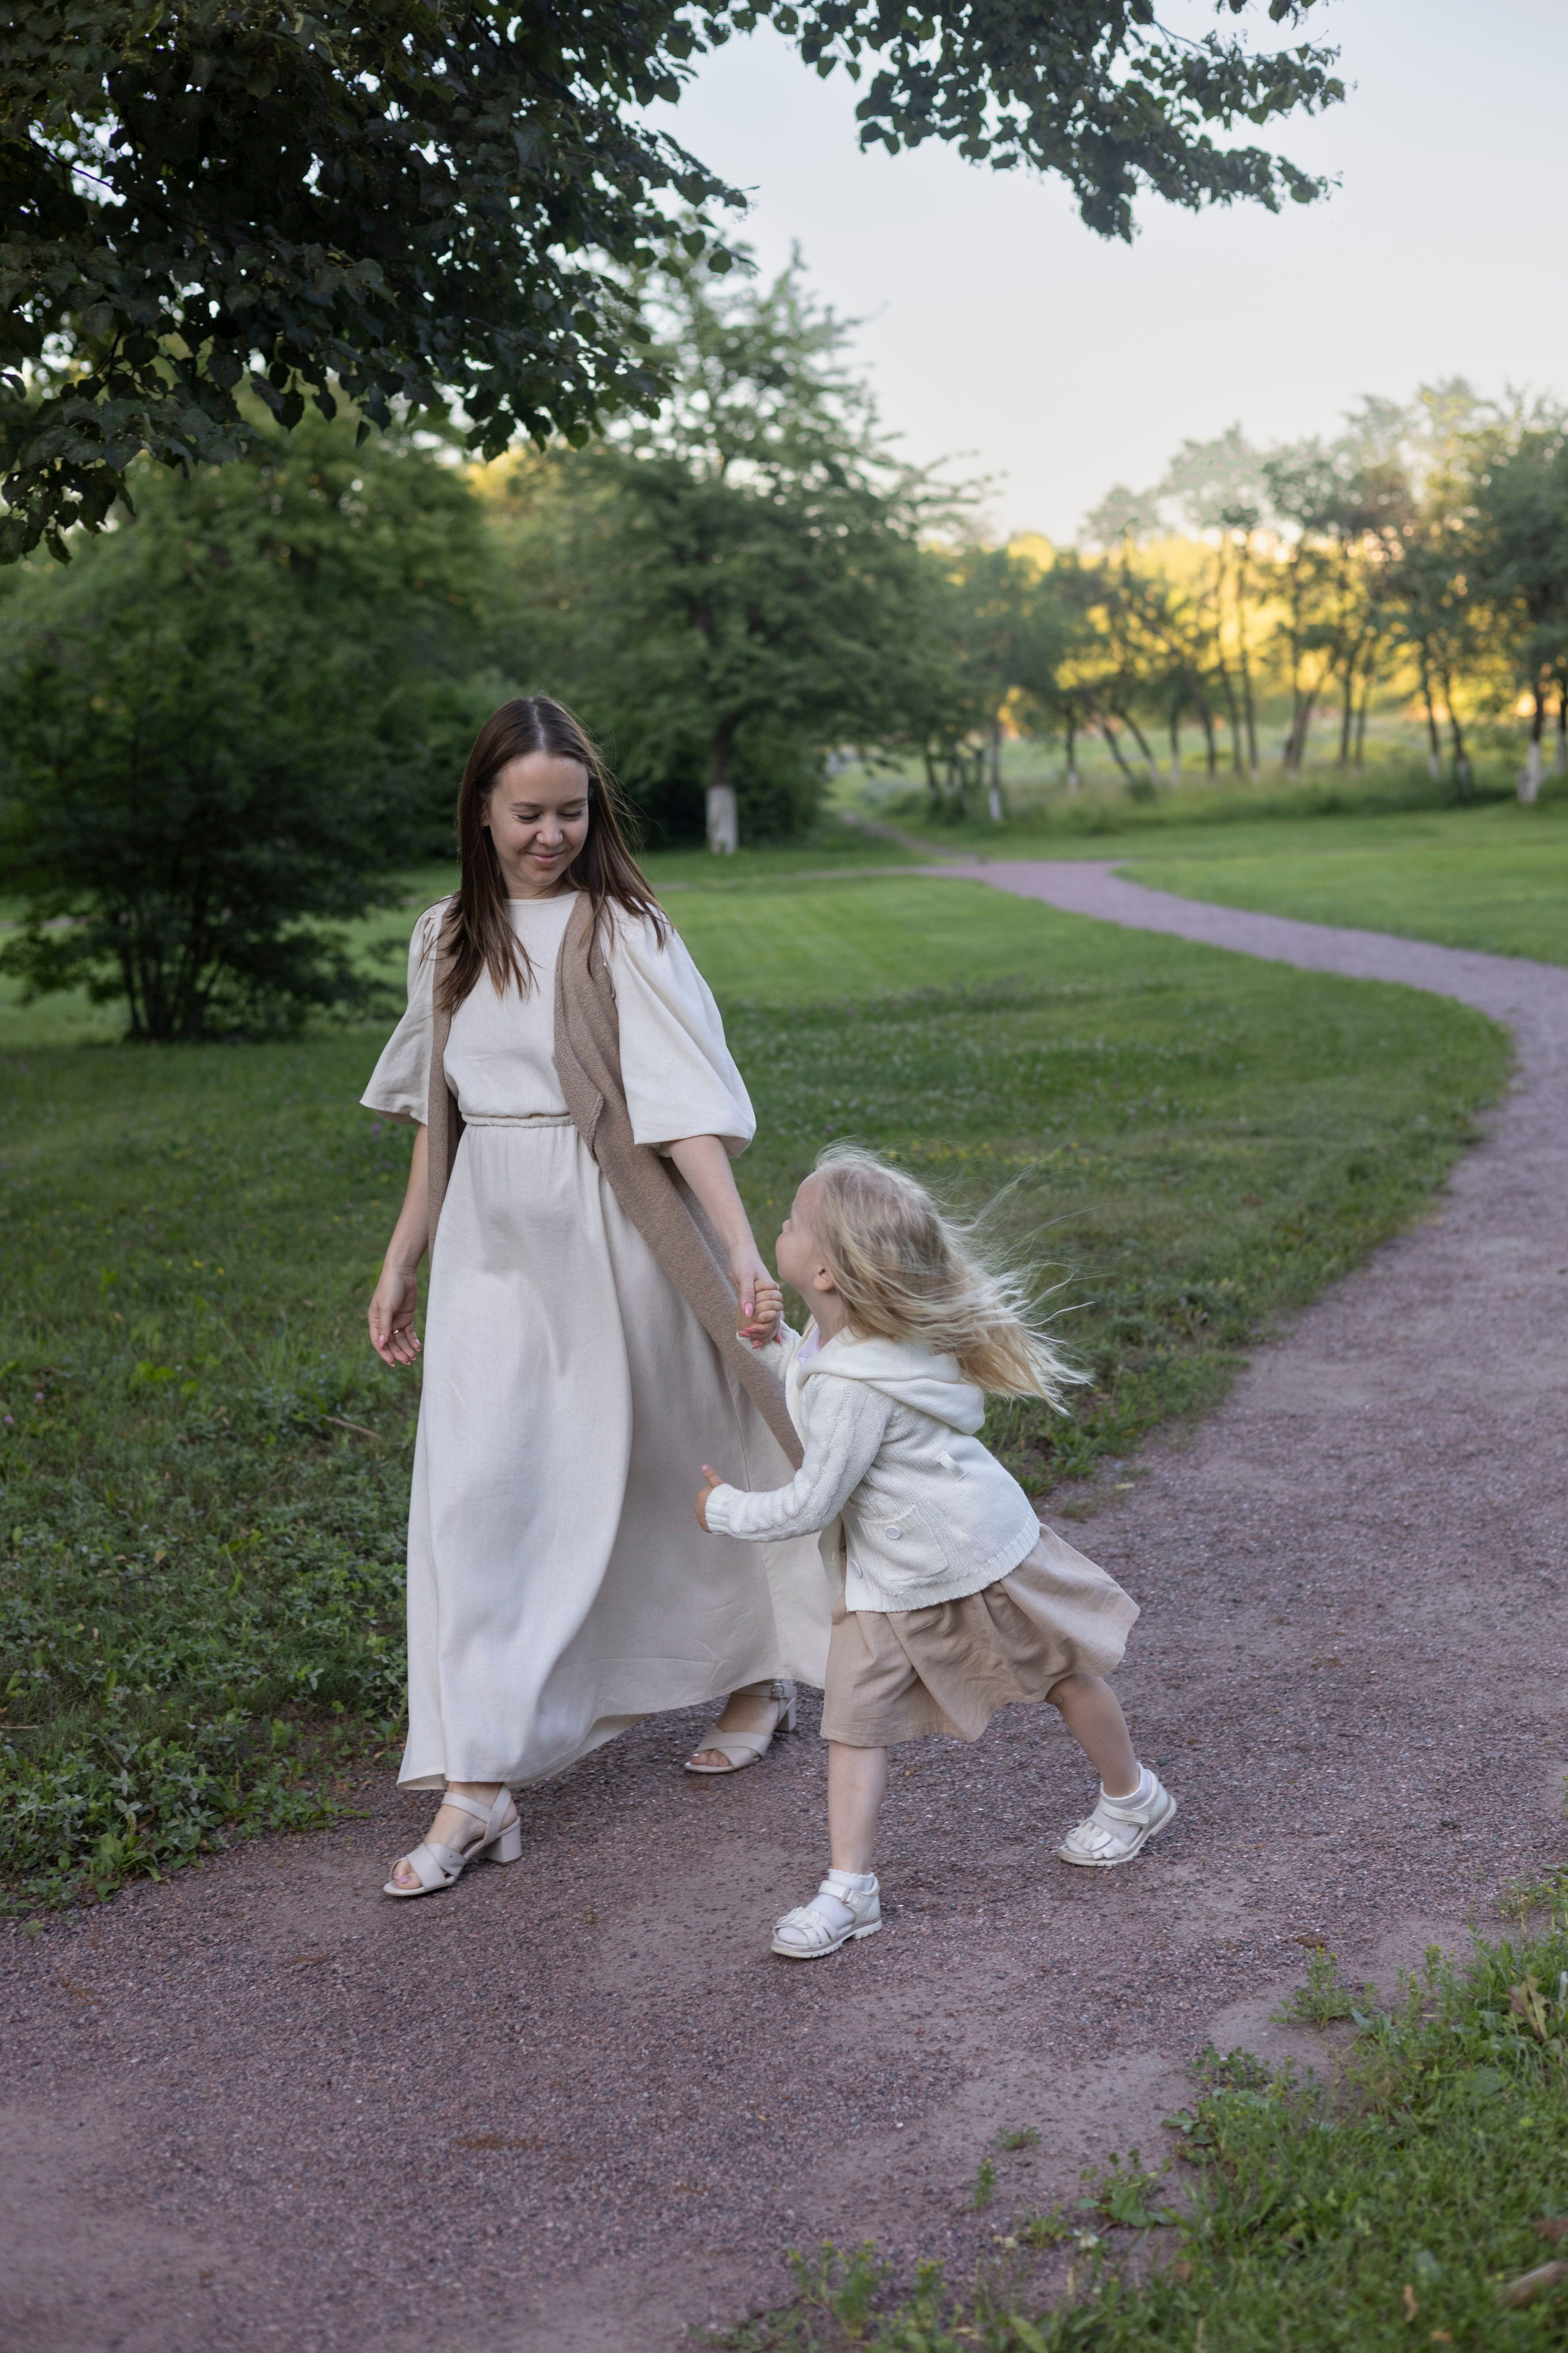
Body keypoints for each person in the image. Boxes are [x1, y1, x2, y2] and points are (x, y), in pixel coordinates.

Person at [363, 696, 827, 1899]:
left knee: (688, 1456)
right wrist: (403, 1256)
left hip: (613, 1231)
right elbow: (436, 1129)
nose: (551, 835)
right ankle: (479, 1787)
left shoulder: (624, 931)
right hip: (492, 1249)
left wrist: (738, 1259)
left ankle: (753, 1674)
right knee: (475, 1491)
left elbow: (682, 1118)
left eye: (571, 812)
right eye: (527, 813)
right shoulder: (446, 938)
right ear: (480, 810)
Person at [695, 1147, 1175, 1960]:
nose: (778, 1223)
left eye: (790, 1221)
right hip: (889, 1577)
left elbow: (815, 1495)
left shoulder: (859, 1376)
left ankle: (1133, 1797)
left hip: (971, 1560)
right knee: (852, 1724)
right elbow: (818, 1384)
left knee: (1062, 1675)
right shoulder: (849, 1335)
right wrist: (778, 1343)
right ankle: (850, 1889)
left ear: (825, 1270)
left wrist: (724, 1509)